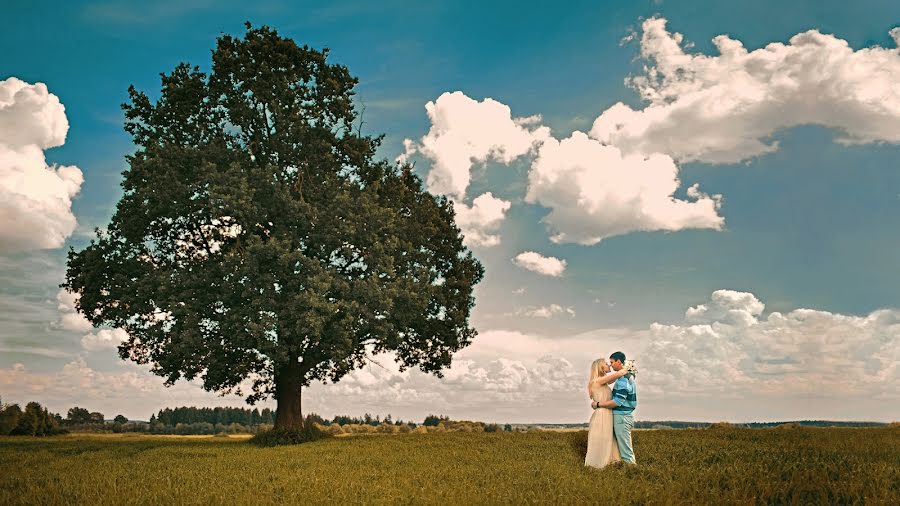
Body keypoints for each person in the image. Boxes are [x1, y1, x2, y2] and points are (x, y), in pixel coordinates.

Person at [584, 358, 628, 468]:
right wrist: (627, 366)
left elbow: (613, 379)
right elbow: (620, 373)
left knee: (608, 440)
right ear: (600, 367)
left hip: (606, 413)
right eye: (606, 364)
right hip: (602, 415)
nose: (609, 365)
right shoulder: (598, 381)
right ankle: (598, 466)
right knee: (602, 440)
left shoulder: (603, 382)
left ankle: (609, 464)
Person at [594, 351, 637, 464]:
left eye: (612, 362)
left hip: (622, 417)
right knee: (621, 449)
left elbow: (617, 402)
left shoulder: (623, 379)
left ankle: (632, 473)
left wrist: (598, 404)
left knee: (626, 452)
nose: (611, 364)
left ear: (619, 361)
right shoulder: (625, 376)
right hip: (623, 416)